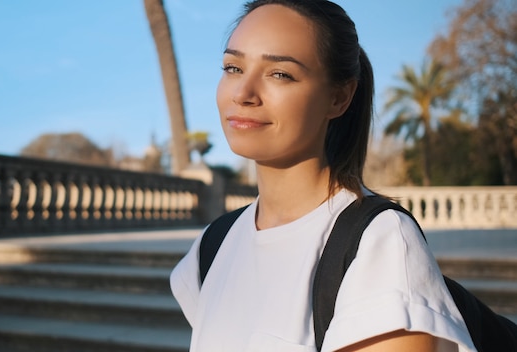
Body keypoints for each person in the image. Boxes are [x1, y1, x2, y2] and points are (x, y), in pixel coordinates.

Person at [170, 0, 476, 351]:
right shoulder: (213, 246)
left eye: (279, 74)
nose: (242, 93)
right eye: (233, 67)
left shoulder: (380, 248)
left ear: (339, 97)